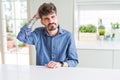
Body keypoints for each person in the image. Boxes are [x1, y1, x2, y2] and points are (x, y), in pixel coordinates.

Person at [17, 2, 79, 68]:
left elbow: (74, 61)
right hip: (41, 75)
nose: (51, 21)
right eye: (46, 19)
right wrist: (35, 18)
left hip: (61, 75)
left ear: (57, 17)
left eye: (53, 17)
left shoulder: (68, 36)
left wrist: (60, 64)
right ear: (42, 21)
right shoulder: (38, 33)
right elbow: (21, 37)